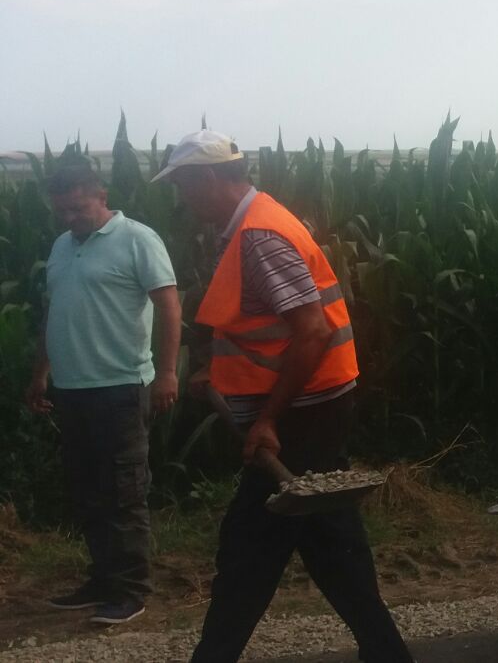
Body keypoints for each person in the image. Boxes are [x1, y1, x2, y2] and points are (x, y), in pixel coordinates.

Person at [151, 130, 412, 663]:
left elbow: (311, 330)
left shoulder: (259, 235)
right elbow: (263, 322)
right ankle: (387, 653)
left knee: (250, 547)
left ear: (207, 178)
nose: (182, 197)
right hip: (308, 405)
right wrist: (217, 368)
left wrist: (268, 419)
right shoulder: (254, 221)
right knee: (327, 537)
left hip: (300, 413)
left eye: (183, 185)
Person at [25, 164, 180, 626]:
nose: (70, 218)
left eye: (78, 208)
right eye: (62, 211)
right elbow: (56, 311)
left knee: (122, 491)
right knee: (88, 491)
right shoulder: (62, 245)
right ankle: (103, 580)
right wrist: (40, 373)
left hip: (120, 387)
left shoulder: (137, 239)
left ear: (102, 196)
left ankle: (131, 590)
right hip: (72, 389)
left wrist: (168, 373)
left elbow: (169, 306)